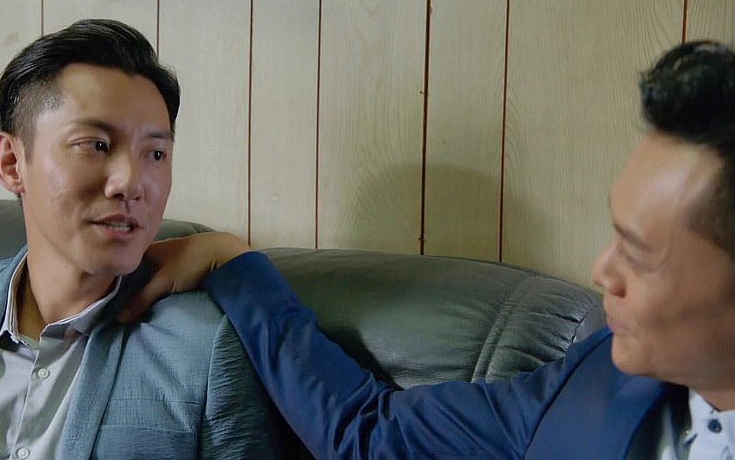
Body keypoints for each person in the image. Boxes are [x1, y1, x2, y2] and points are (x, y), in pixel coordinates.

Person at [130, 40, 735, 458]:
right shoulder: (599, 377)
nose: (603, 272)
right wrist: (233, 263)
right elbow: (368, 434)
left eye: (640, 254)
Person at [0, 19, 284, 459]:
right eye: (96, 145)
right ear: (12, 163)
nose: (131, 183)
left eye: (155, 154)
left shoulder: (205, 351)